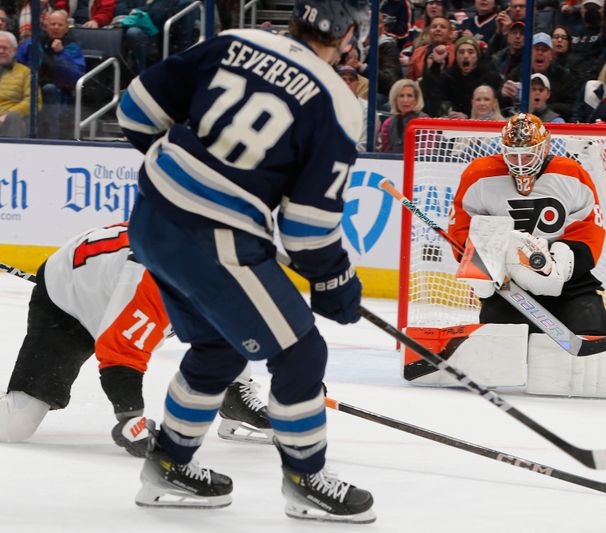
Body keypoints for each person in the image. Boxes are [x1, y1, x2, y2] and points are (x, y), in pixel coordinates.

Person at [116, 0, 376, 522]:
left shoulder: (235, 41)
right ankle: (306, 478)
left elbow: (136, 111)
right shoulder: (337, 102)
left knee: (219, 347)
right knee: (300, 353)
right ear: (348, 34)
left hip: (150, 218)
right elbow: (306, 231)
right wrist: (336, 283)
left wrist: (186, 173)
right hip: (214, 242)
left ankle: (168, 465)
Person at [0, 224, 272, 455]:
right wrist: (130, 420)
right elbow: (120, 354)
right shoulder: (153, 279)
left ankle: (235, 392)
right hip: (70, 303)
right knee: (17, 424)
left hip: (110, 282)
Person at [448, 113, 606, 337]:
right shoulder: (479, 175)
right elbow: (463, 224)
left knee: (592, 333)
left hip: (568, 284)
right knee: (501, 348)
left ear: (545, 148)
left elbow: (590, 223)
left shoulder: (571, 174)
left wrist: (563, 263)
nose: (521, 162)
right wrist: (482, 261)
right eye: (514, 156)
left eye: (528, 155)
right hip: (508, 288)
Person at [15, 9, 85, 138]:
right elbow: (17, 63)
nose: (56, 27)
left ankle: (49, 136)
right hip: (29, 86)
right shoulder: (32, 43)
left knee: (49, 89)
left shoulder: (72, 47)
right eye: (53, 24)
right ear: (46, 26)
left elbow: (75, 76)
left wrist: (61, 53)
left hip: (58, 91)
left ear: (66, 28)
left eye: (60, 25)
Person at [0, 30, 41, 137]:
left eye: (4, 48)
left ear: (14, 51)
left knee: (13, 117)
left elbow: (34, 102)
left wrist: (8, 114)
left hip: (10, 121)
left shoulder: (26, 72)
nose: (1, 51)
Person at [381, 78, 428, 152]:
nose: (405, 100)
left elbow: (426, 152)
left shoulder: (425, 122)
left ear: (416, 99)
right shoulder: (388, 124)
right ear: (395, 99)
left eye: (409, 96)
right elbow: (386, 154)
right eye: (401, 96)